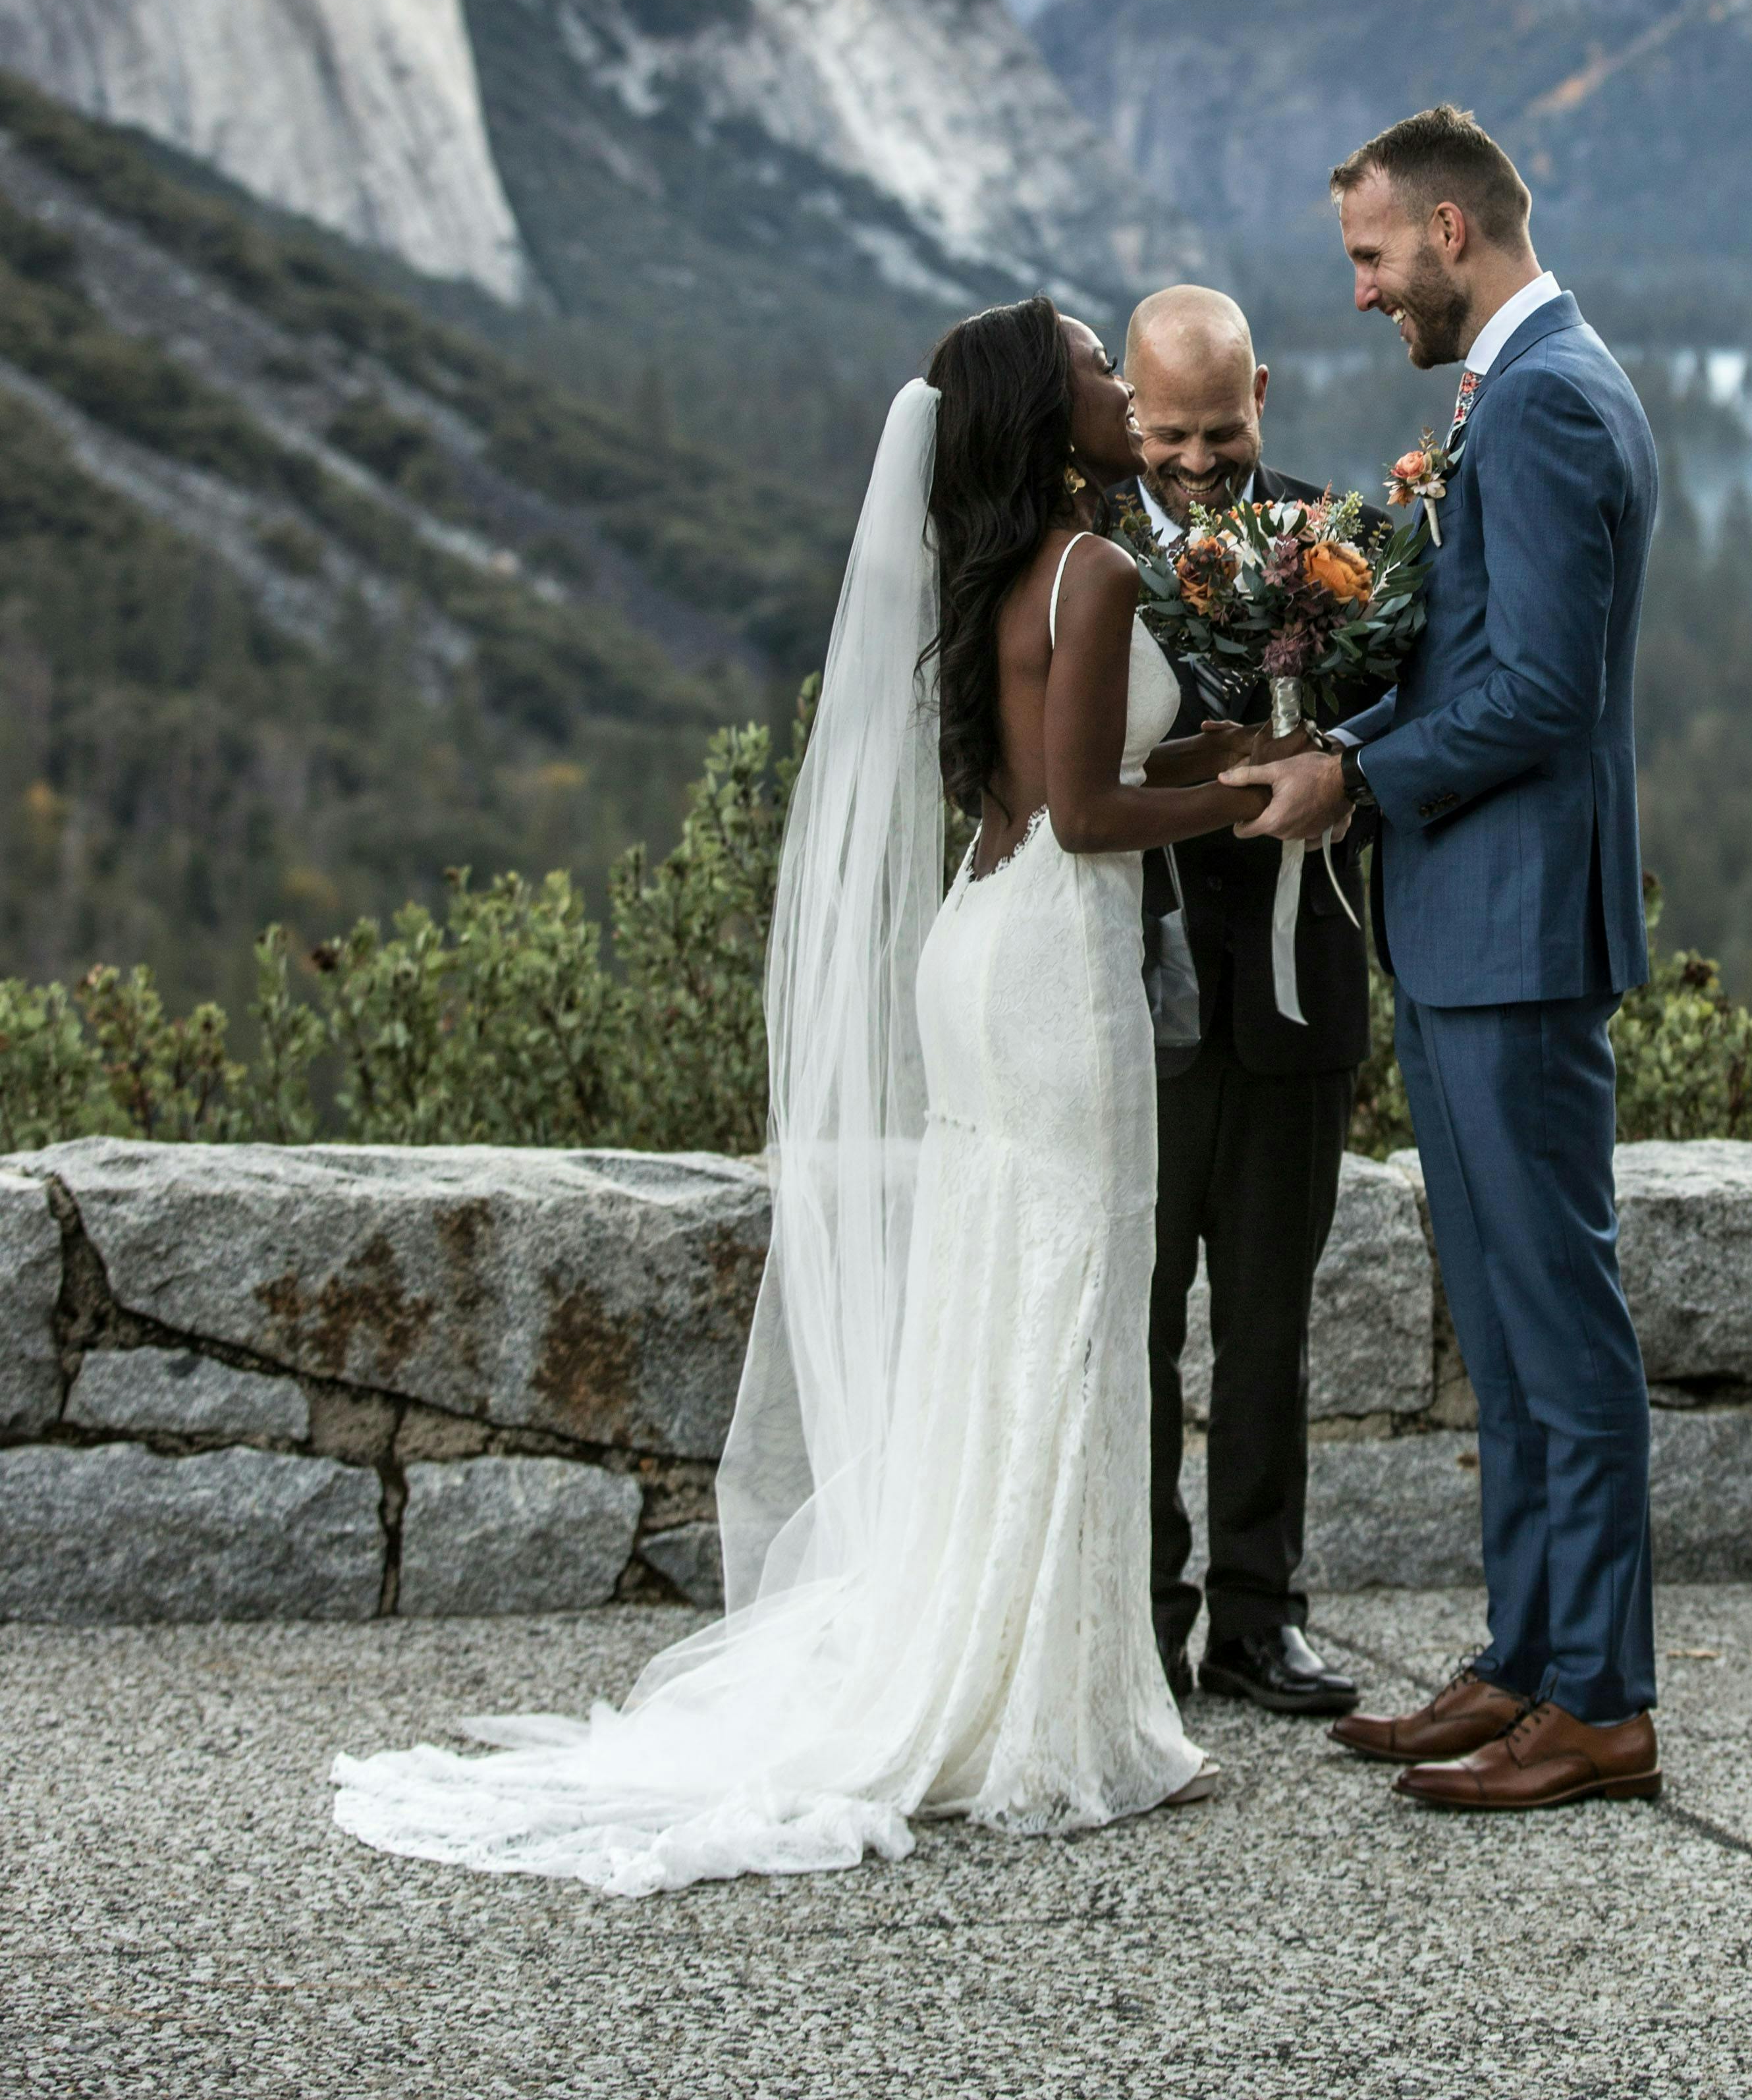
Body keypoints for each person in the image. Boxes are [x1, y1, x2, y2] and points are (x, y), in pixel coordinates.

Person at [332, 298, 1307, 1894]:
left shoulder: (999, 565)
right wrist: (1259, 801)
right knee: (1065, 1306)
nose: (1113, 382)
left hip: (977, 942)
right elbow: (1088, 807)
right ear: (1037, 411)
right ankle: (1059, 1716)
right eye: (1085, 364)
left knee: (1008, 1295)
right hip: (1056, 966)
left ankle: (1028, 1668)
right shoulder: (1102, 566)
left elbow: (1065, 763)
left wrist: (1237, 741)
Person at [1226, 106, 1663, 1810]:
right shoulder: (1514, 388)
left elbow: (1547, 693)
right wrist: (1320, 733)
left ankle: (1605, 1699)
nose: (1359, 293)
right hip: (1472, 919)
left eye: (1371, 255)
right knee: (1503, 1316)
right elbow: (1480, 650)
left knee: (1560, 1320)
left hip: (1520, 929)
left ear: (1453, 233)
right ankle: (1526, 1658)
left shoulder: (1548, 400)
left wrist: (1360, 777)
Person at [1121, 285, 1373, 1717]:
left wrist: (1346, 785)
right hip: (1136, 1009)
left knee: (1268, 1324)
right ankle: (1145, 1620)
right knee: (1138, 1328)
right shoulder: (1087, 552)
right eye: (1170, 434)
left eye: (1222, 431)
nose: (1200, 462)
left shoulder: (1335, 549)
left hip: (1295, 997)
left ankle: (1260, 1620)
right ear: (1131, 417)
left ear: (1261, 395)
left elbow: (1387, 733)